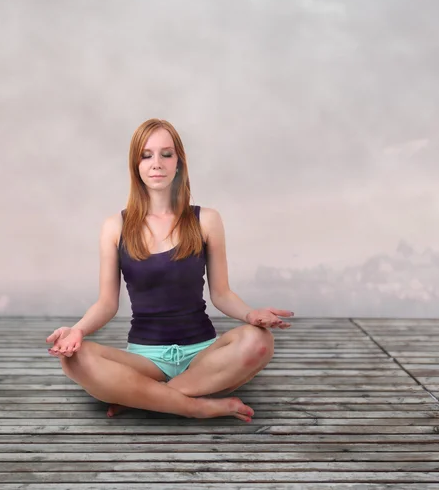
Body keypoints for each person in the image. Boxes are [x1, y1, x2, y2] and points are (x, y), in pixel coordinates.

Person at [46, 118, 294, 422]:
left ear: (179, 162)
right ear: (135, 165)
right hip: (144, 358)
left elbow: (221, 293)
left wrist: (250, 315)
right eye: (146, 155)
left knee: (260, 340)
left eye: (167, 154)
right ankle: (197, 405)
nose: (156, 164)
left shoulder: (207, 220)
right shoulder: (115, 227)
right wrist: (77, 330)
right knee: (74, 359)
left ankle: (143, 398)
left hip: (202, 354)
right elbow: (107, 303)